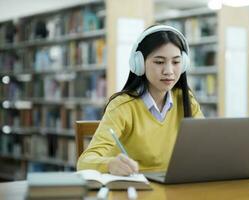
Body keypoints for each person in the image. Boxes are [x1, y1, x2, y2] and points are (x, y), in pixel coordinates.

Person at [77, 24, 204, 176]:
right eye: (159, 62)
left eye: (176, 62)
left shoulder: (186, 100)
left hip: (172, 188)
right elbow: (84, 161)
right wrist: (110, 164)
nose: (169, 71)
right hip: (134, 188)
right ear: (139, 63)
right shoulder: (122, 106)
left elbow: (206, 147)